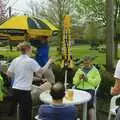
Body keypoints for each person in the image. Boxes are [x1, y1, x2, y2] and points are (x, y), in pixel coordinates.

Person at [7, 42, 52, 120]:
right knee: (26, 114)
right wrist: (49, 62)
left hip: (15, 90)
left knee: (18, 112)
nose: (32, 51)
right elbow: (40, 72)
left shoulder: (15, 60)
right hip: (24, 92)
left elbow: (9, 74)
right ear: (28, 49)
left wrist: (19, 77)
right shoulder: (30, 61)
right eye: (31, 49)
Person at [73, 56, 101, 120]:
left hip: (90, 89)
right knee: (77, 104)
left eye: (88, 63)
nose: (86, 65)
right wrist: (79, 79)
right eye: (85, 63)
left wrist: (87, 79)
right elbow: (74, 82)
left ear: (91, 62)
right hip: (79, 89)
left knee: (89, 106)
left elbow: (96, 82)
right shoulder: (79, 70)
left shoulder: (95, 71)